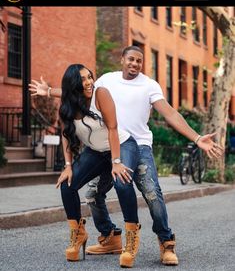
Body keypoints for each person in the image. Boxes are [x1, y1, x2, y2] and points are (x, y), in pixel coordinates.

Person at [29, 46, 223, 266]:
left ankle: (166, 241)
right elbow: (78, 90)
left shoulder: (149, 85)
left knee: (150, 192)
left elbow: (169, 113)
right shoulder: (106, 80)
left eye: (139, 61)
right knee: (92, 193)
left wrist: (197, 138)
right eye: (131, 59)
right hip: (105, 147)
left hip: (136, 145)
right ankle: (110, 237)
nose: (135, 64)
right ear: (122, 59)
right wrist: (50, 91)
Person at [43, 63, 142, 268]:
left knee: (122, 182)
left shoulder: (101, 94)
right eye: (83, 79)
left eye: (89, 77)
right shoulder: (68, 105)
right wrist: (68, 165)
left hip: (122, 145)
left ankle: (131, 239)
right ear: (74, 84)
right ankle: (78, 234)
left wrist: (116, 162)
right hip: (95, 152)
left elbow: (113, 129)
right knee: (67, 184)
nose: (88, 82)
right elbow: (66, 137)